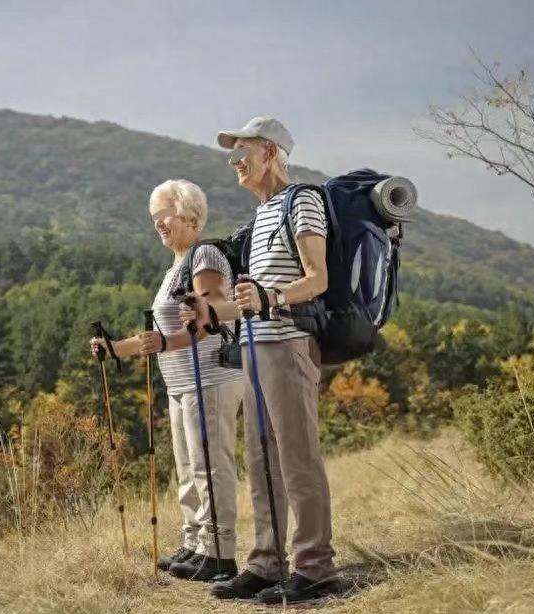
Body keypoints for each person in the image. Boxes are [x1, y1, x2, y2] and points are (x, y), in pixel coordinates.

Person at [181, 117, 338, 604]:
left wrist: (272, 297)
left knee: (297, 456)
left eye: (241, 153)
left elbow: (318, 278)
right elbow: (249, 302)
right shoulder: (259, 218)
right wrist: (211, 310)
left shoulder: (302, 201)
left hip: (288, 343)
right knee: (262, 457)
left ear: (270, 151)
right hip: (253, 343)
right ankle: (268, 563)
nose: (235, 164)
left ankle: (315, 568)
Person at [88, 179, 243, 582]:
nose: (158, 223)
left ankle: (220, 553)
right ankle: (195, 545)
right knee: (189, 468)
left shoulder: (203, 254)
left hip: (208, 377)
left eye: (165, 215)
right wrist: (114, 348)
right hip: (182, 384)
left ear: (190, 216)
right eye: (154, 217)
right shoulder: (176, 265)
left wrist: (167, 341)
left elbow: (209, 316)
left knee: (210, 466)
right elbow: (155, 340)